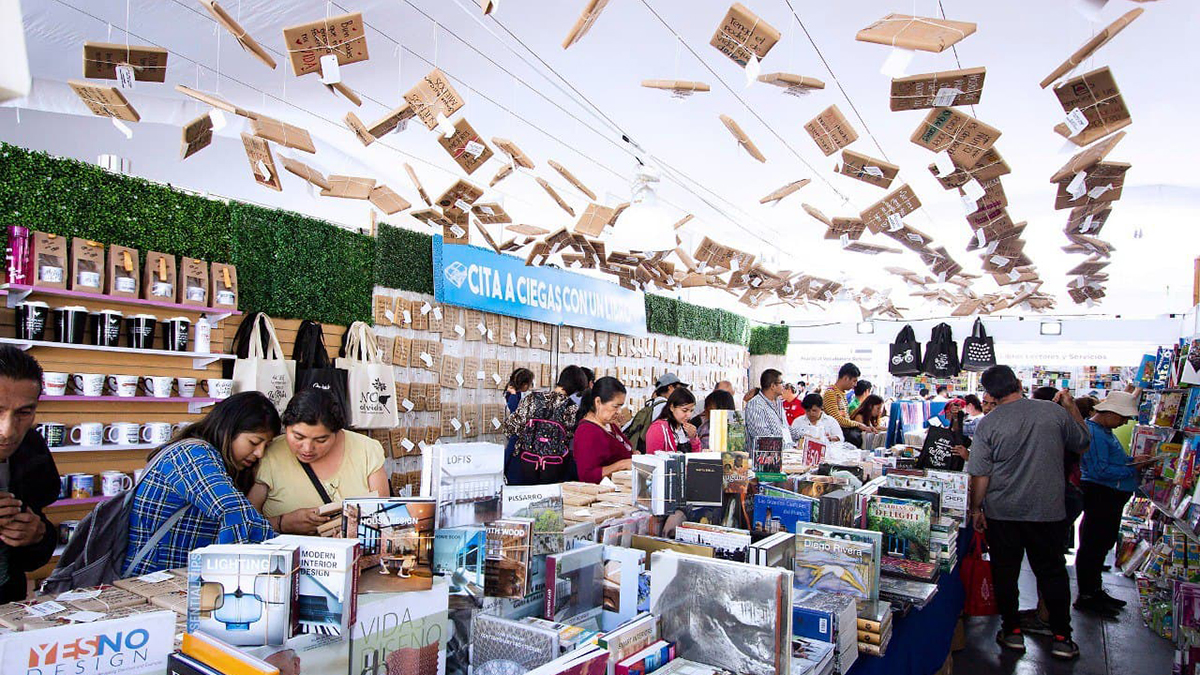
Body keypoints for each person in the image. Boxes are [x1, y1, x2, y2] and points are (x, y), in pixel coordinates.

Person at [967, 365, 1089, 660]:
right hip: (1047, 511)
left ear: (990, 394)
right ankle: (1062, 637)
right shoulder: (1052, 412)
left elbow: (980, 474)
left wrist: (976, 508)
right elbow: (1082, 442)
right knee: (1052, 573)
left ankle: (1012, 633)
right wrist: (1071, 408)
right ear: (1018, 383)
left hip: (1002, 512)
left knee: (1005, 573)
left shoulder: (988, 423)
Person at [126, 392, 281, 576]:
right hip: (151, 580)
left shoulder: (215, 461)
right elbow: (234, 511)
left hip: (176, 580)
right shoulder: (191, 455)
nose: (260, 453)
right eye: (254, 442)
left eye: (266, 445)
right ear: (228, 429)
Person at [250, 389, 389, 534]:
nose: (308, 448)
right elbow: (246, 523)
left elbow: (383, 519)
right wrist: (283, 523)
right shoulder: (271, 454)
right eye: (298, 437)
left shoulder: (366, 450)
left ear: (337, 432)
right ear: (286, 427)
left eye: (321, 440)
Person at [1076, 391, 1150, 616]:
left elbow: (1108, 463)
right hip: (1102, 495)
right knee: (1094, 545)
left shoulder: (1103, 432)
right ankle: (1088, 594)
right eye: (1123, 417)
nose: (1125, 422)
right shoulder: (1095, 433)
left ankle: (1094, 590)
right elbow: (1100, 469)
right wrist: (1131, 468)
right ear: (1109, 413)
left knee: (1100, 544)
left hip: (1109, 495)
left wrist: (1131, 462)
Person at [0, 346, 60, 602]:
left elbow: (36, 553)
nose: (8, 431)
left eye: (24, 413)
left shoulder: (31, 449)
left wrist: (36, 536)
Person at [502, 365, 587, 481]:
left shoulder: (532, 398)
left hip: (525, 464)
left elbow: (510, 428)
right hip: (555, 468)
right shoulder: (572, 408)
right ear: (576, 388)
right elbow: (571, 438)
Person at [571, 377, 634, 483]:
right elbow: (587, 476)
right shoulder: (587, 432)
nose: (619, 412)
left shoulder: (609, 424)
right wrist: (621, 465)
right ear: (598, 402)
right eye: (615, 406)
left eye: (621, 406)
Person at [823, 363, 872, 447]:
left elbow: (845, 418)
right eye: (854, 381)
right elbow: (838, 420)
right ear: (846, 378)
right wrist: (859, 424)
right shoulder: (831, 393)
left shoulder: (841, 393)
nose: (855, 385)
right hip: (835, 437)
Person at [745, 370, 795, 451]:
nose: (784, 386)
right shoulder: (755, 405)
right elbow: (763, 438)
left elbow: (785, 429)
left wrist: (803, 435)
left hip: (786, 455)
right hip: (765, 460)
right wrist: (786, 447)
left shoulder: (779, 403)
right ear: (773, 386)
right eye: (782, 382)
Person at [503, 368, 536, 480]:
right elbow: (515, 411)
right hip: (516, 433)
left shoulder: (515, 393)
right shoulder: (513, 394)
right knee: (513, 459)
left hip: (516, 433)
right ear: (524, 384)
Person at [646, 388, 701, 454]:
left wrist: (693, 438)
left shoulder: (685, 428)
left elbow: (695, 458)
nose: (689, 415)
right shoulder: (658, 428)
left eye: (691, 411)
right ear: (672, 407)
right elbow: (653, 459)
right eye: (684, 410)